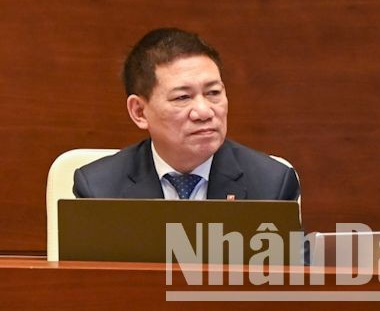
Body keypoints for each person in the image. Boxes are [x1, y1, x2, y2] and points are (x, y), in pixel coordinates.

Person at [73, 27, 300, 201]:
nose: (204, 111)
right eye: (182, 97)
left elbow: (294, 262)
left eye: (213, 93)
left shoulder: (272, 185)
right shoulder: (99, 189)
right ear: (139, 111)